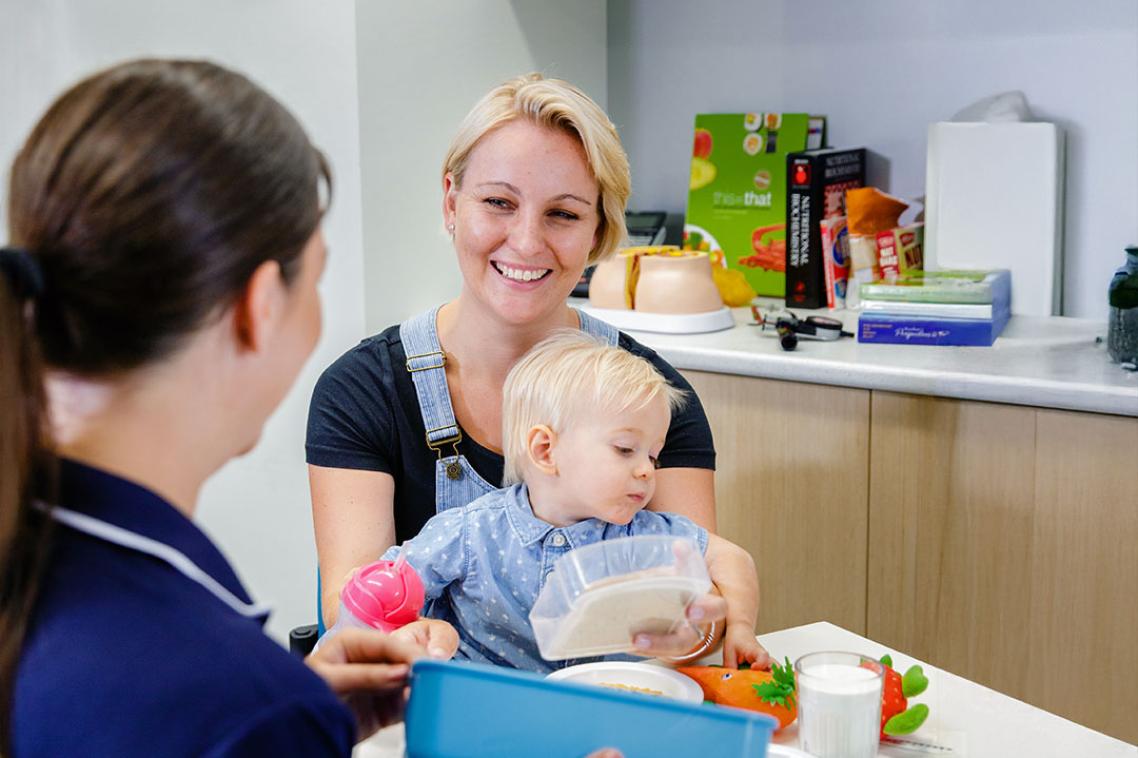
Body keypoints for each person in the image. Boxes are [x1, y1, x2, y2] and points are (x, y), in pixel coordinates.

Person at [0, 58, 460, 756]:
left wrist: (298, 712)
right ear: (260, 306)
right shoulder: (235, 703)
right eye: (317, 277)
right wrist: (274, 724)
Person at [307, 73, 729, 657]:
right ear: (452, 202)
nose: (527, 242)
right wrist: (415, 637)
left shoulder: (654, 402)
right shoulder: (362, 392)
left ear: (598, 231)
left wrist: (692, 630)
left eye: (563, 214)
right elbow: (351, 613)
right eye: (498, 203)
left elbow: (704, 617)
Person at [378, 331, 773, 674]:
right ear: (546, 450)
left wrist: (739, 628)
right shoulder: (470, 533)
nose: (647, 471)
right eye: (625, 449)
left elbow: (733, 559)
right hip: (488, 710)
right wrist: (410, 638)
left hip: (607, 709)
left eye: (653, 455)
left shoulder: (647, 533)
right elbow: (383, 590)